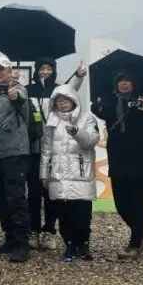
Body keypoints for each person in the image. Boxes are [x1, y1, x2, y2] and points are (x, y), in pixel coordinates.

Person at [90, 71, 143, 260]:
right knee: (122, 206)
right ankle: (141, 232)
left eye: (128, 80)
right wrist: (96, 105)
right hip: (119, 160)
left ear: (134, 83)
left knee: (137, 205)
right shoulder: (111, 102)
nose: (124, 83)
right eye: (120, 80)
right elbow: (99, 111)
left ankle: (135, 244)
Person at [25, 57, 87, 246]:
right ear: (36, 70)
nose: (45, 72)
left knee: (51, 192)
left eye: (48, 68)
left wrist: (78, 76)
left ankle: (49, 230)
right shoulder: (28, 90)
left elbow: (71, 90)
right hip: (33, 147)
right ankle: (33, 230)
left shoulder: (58, 89)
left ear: (54, 71)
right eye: (41, 68)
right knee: (33, 192)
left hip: (54, 148)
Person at [41, 85, 101, 261]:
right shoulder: (51, 121)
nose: (62, 103)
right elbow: (46, 149)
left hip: (80, 173)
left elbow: (91, 141)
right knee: (63, 214)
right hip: (57, 174)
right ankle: (69, 245)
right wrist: (43, 174)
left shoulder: (87, 118)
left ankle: (83, 244)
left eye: (66, 100)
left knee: (82, 213)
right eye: (59, 100)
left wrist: (76, 132)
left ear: (74, 100)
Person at [0, 56, 33, 262]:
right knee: (0, 199)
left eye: (1, 69)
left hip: (15, 153)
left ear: (9, 71)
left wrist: (15, 96)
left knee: (16, 199)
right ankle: (10, 237)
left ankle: (22, 243)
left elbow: (20, 100)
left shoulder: (17, 88)